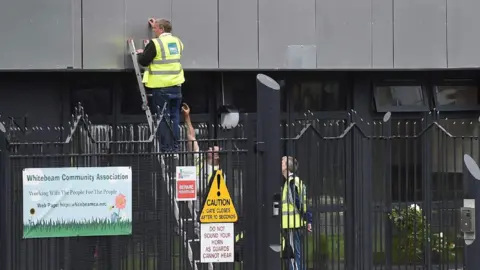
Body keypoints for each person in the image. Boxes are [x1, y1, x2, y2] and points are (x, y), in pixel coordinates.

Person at [137, 18, 184, 153]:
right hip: (177, 86)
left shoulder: (155, 43)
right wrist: (156, 25)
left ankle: (166, 148)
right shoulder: (177, 42)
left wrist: (142, 53)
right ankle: (175, 146)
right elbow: (166, 53)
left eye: (155, 28)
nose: (154, 30)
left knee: (163, 118)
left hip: (162, 87)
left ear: (162, 29)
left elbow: (144, 62)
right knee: (175, 117)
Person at [281, 156, 313, 270]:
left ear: (287, 167)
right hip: (294, 225)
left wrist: (306, 219)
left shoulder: (291, 182)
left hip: (292, 225)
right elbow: (305, 203)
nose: (280, 164)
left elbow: (298, 202)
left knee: (293, 256)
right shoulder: (296, 181)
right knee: (296, 255)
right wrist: (308, 220)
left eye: (282, 162)